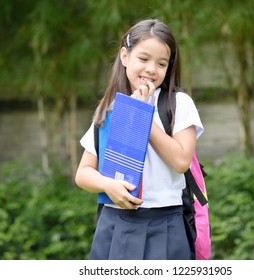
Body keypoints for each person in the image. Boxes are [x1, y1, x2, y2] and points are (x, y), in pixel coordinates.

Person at [75, 18, 204, 260]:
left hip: (165, 223)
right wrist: (107, 185)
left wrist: (141, 114)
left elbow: (180, 161)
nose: (151, 69)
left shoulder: (178, 104)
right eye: (143, 59)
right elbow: (83, 173)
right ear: (125, 56)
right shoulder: (110, 108)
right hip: (115, 225)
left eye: (161, 63)